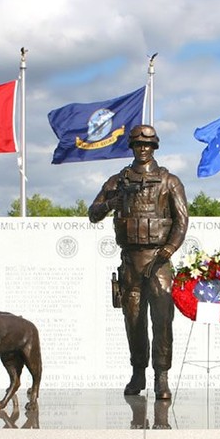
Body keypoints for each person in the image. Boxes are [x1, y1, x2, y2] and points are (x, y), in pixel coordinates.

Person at [89, 124, 189, 400]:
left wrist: (169, 248)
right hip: (130, 261)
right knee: (133, 321)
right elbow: (93, 213)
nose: (143, 149)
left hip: (159, 261)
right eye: (138, 145)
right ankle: (137, 372)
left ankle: (162, 376)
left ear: (154, 147)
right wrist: (113, 202)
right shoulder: (117, 181)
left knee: (162, 320)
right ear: (131, 147)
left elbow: (182, 220)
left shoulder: (170, 181)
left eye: (147, 145)